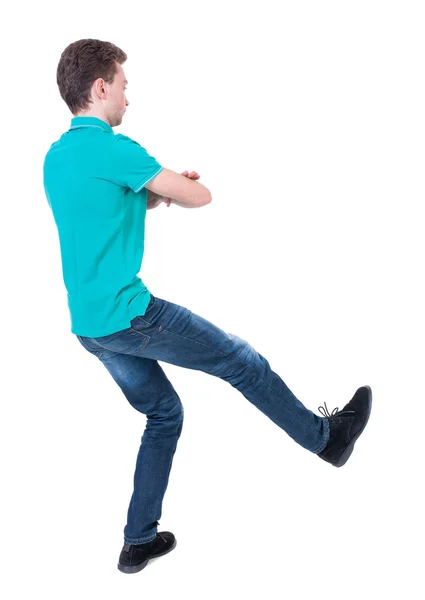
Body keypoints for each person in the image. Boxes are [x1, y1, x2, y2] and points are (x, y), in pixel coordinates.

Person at [43, 38, 372, 575]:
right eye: (124, 85)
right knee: (242, 362)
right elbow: (203, 197)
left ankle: (137, 541)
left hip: (90, 325)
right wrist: (175, 185)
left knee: (163, 413)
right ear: (100, 88)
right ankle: (326, 440)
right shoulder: (117, 149)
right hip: (132, 315)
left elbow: (102, 207)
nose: (129, 97)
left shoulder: (57, 156)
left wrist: (151, 193)